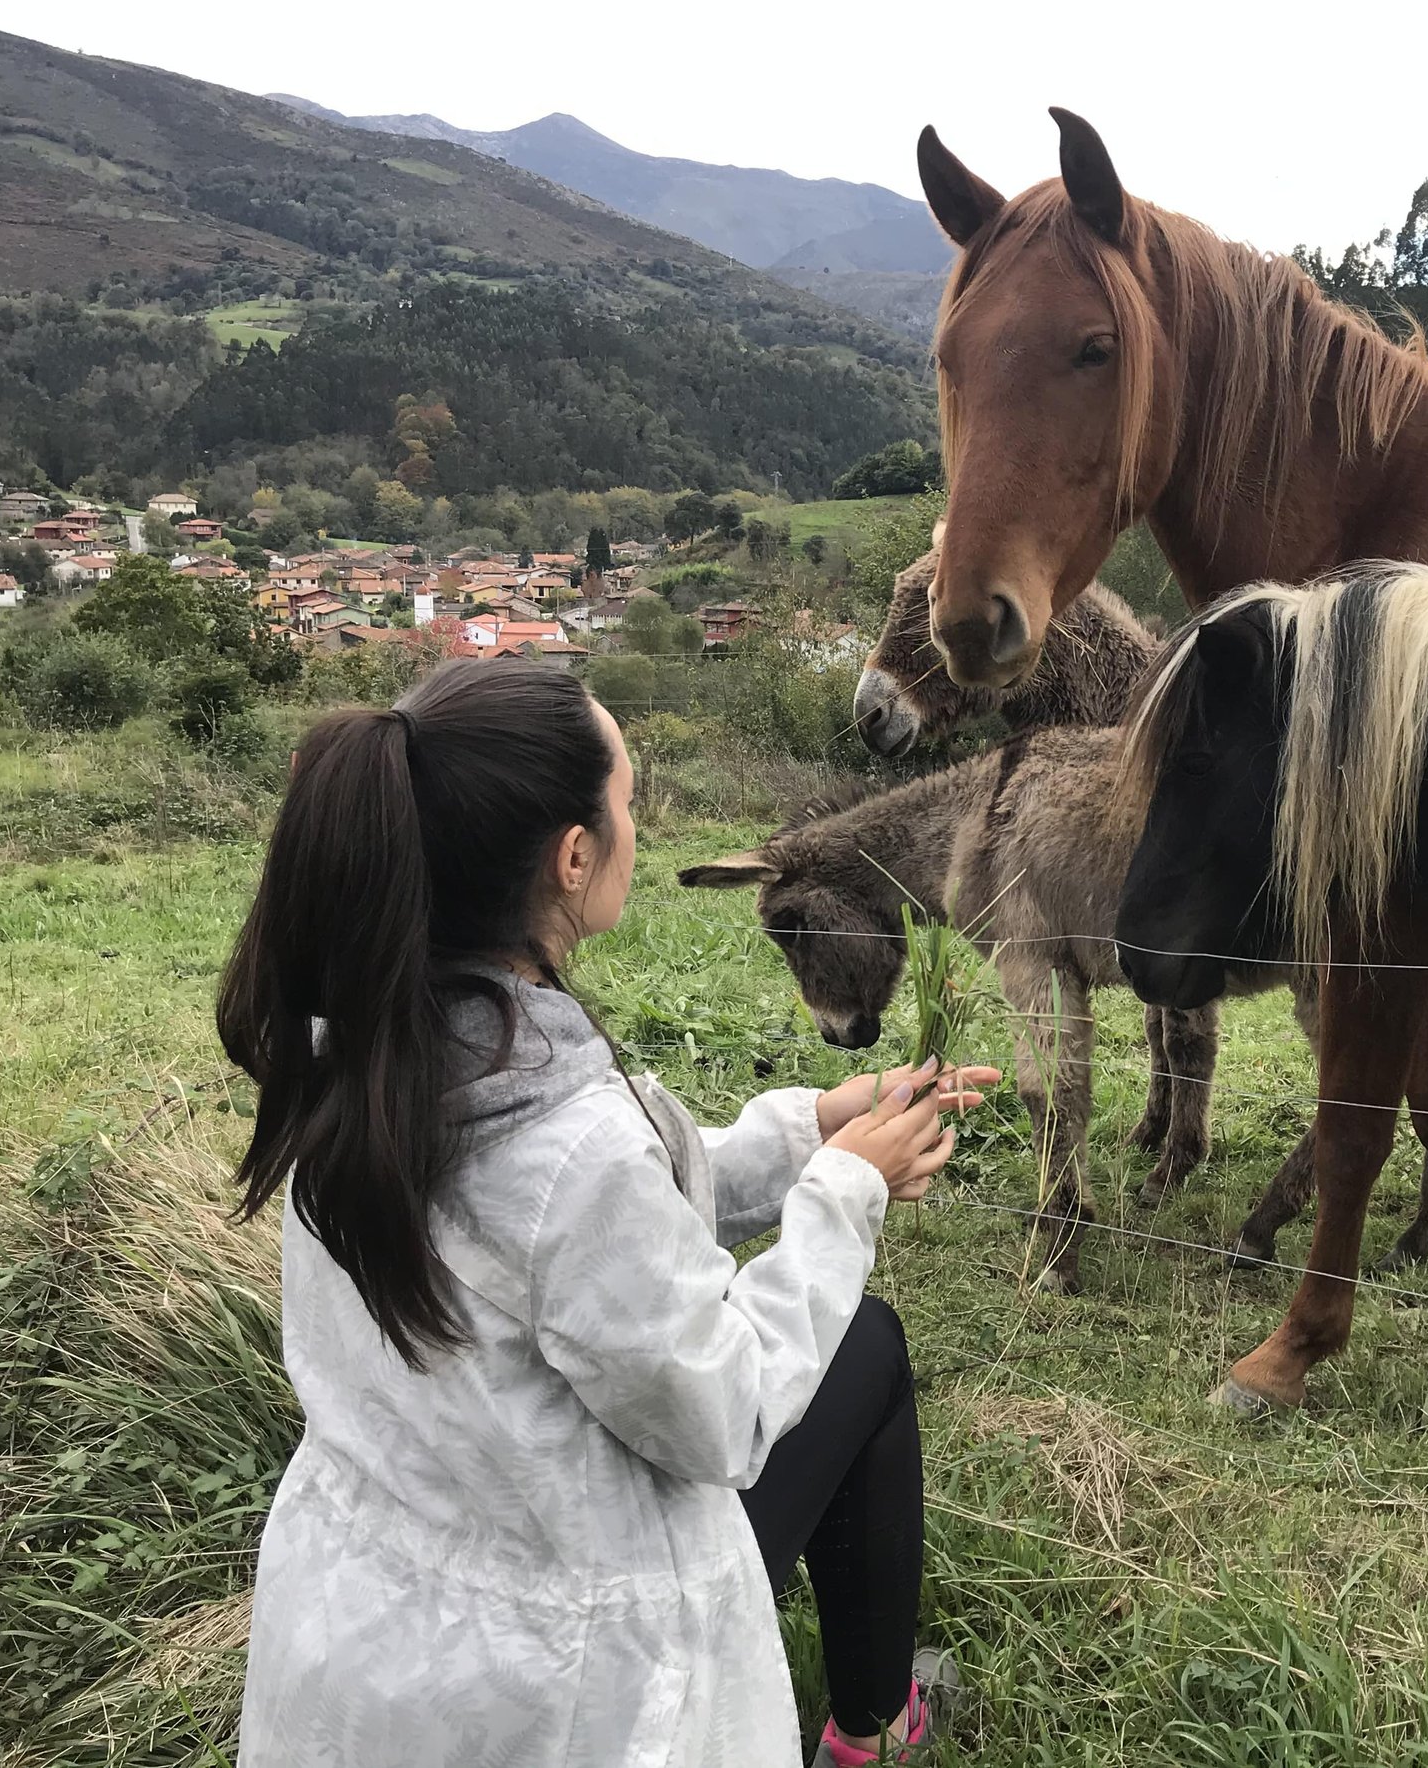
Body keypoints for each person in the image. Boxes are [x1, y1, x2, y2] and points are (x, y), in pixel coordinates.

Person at [218, 658, 998, 1766]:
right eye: (630, 801)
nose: (638, 823)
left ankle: (870, 1720)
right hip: (571, 1665)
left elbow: (588, 1219)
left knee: (861, 1349)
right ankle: (869, 1730)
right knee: (858, 1345)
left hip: (380, 1599)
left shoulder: (357, 1039)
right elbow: (719, 1414)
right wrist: (843, 1197)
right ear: (573, 856)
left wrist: (806, 1132)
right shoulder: (564, 1143)